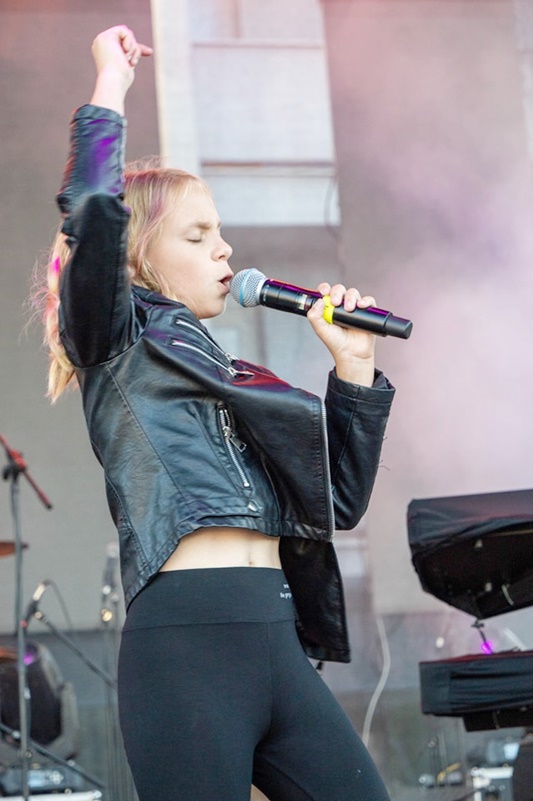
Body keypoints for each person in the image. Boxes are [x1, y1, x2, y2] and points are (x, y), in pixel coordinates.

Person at [41, 24, 396, 801]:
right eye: (199, 235)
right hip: (189, 642)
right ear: (136, 257)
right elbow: (93, 207)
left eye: (221, 234)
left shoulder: (240, 380)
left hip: (276, 635)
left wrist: (354, 369)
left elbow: (334, 502)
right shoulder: (116, 338)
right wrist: (110, 85)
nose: (225, 251)